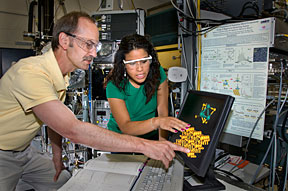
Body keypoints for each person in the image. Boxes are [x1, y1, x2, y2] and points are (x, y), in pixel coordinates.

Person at [0, 12, 189, 191]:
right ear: (65, 41)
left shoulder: (60, 76)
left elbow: (52, 120)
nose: (94, 54)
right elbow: (73, 130)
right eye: (88, 44)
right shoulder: (31, 73)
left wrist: (57, 156)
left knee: (62, 181)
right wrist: (146, 145)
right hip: (3, 153)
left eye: (96, 46)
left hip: (25, 151)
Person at [105, 34, 190, 141]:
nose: (140, 68)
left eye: (144, 61)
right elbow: (125, 126)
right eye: (132, 63)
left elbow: (162, 112)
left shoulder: (157, 72)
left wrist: (162, 143)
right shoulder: (114, 85)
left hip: (150, 136)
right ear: (123, 64)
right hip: (121, 139)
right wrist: (157, 122)